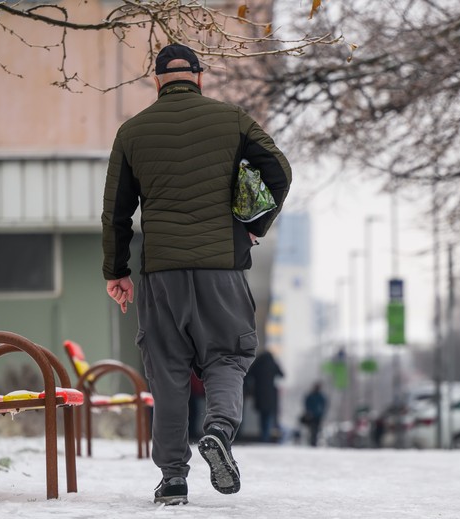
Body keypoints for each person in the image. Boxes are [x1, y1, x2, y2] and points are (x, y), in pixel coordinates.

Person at [102, 43, 291, 506]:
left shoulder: (132, 131)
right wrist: (253, 227)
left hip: (162, 273)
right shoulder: (232, 120)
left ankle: (173, 479)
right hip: (221, 270)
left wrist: (117, 271)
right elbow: (280, 171)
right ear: (200, 78)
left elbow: (116, 213)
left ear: (156, 81)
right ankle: (220, 431)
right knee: (227, 356)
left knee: (167, 372)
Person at [246, 348, 284, 442]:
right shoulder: (272, 364)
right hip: (270, 394)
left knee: (262, 416)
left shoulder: (257, 364)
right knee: (268, 415)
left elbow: (248, 374)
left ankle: (263, 435)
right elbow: (282, 374)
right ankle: (266, 436)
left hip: (259, 393)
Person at [302, 382, 328, 447]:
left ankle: (313, 441)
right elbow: (307, 405)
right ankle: (312, 441)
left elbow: (324, 406)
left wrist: (321, 414)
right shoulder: (311, 396)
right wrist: (308, 412)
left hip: (317, 416)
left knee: (315, 430)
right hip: (312, 416)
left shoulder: (321, 397)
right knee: (312, 429)